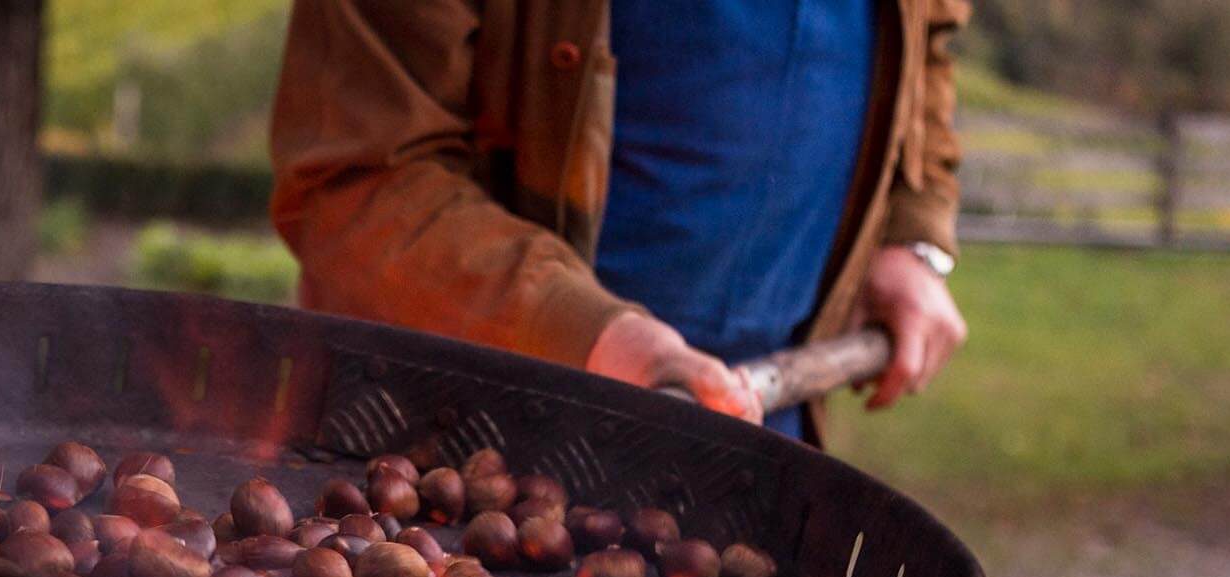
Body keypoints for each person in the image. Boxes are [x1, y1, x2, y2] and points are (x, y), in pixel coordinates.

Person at [269, 0, 969, 443]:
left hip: (764, 431)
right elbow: (357, 181)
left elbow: (928, 41)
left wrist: (911, 232)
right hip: (459, 446)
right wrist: (591, 333)